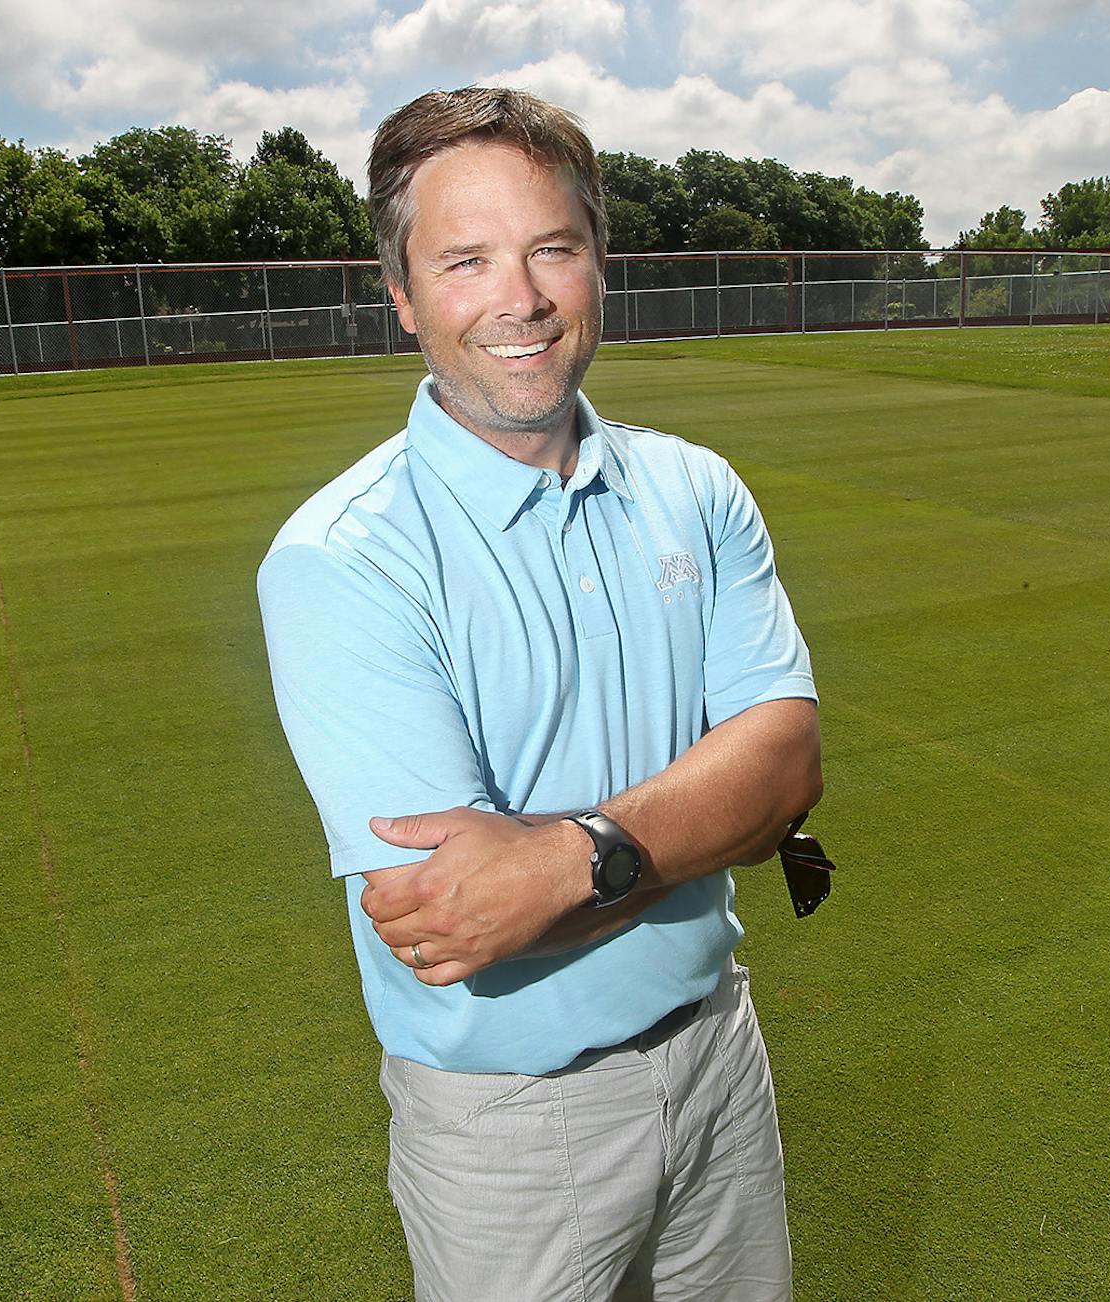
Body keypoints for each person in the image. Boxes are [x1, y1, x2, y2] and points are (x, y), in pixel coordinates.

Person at [257, 86, 822, 1301]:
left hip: (723, 1055)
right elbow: (451, 918)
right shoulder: (340, 559)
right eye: (465, 261)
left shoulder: (696, 488)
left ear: (596, 267)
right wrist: (700, 823)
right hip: (512, 1130)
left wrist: (568, 859)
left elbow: (783, 769)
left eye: (551, 248)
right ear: (404, 296)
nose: (518, 299)